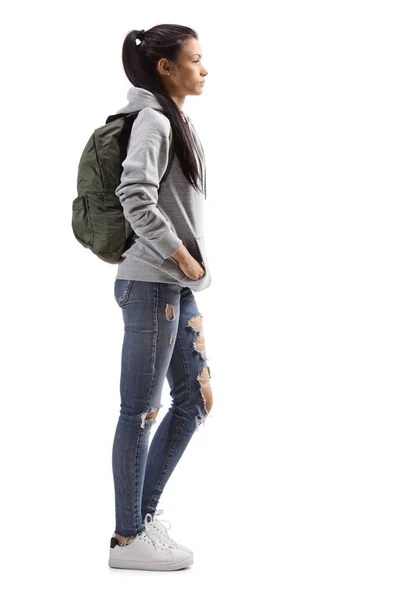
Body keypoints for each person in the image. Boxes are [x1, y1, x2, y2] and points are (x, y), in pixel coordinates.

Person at [108, 24, 213, 571]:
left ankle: (142, 523)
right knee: (140, 410)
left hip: (171, 284)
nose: (204, 68)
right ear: (165, 67)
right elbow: (133, 195)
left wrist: (184, 270)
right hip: (153, 281)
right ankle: (128, 539)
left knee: (195, 400)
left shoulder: (173, 118)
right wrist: (181, 256)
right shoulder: (152, 119)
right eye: (194, 59)